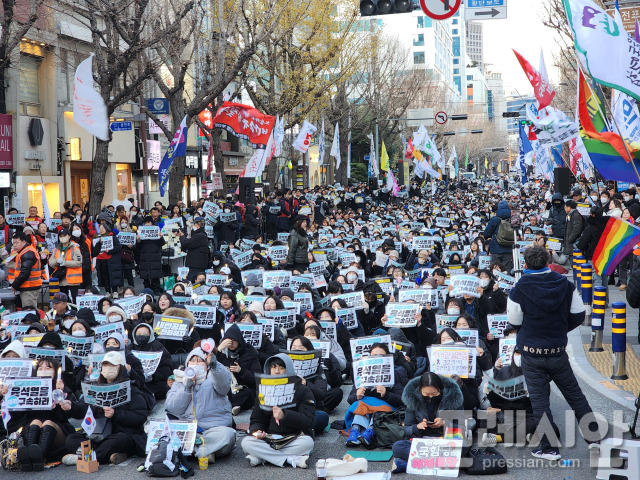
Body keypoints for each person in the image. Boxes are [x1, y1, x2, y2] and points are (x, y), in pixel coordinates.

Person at [507, 245, 598, 460]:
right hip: (557, 352)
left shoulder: (519, 288)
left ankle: (549, 448)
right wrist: (559, 328)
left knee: (540, 402)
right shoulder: (564, 285)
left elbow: (514, 321)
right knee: (576, 396)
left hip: (531, 353)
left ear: (526, 265)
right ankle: (594, 440)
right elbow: (578, 313)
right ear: (548, 262)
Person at [63, 351, 147, 465]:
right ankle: (105, 456)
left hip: (122, 434)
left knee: (119, 440)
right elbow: (82, 408)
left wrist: (116, 414)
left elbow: (140, 416)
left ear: (120, 368)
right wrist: (71, 407)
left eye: (112, 365)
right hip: (97, 435)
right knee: (71, 440)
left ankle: (87, 458)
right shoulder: (94, 388)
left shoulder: (131, 389)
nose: (108, 368)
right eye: (105, 365)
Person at [241, 353, 315, 468]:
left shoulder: (303, 390)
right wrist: (258, 431)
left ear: (288, 370)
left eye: (281, 368)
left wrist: (285, 416)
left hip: (294, 438)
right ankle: (289, 459)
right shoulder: (263, 390)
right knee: (246, 443)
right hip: (270, 439)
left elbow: (308, 421)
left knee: (308, 443)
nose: (277, 371)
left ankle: (263, 457)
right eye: (274, 367)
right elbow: (256, 419)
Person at [165, 346, 237, 462]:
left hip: (212, 430)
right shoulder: (179, 381)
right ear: (187, 363)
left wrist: (215, 366)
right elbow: (173, 408)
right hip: (188, 430)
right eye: (193, 360)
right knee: (162, 434)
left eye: (200, 361)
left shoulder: (214, 377)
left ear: (207, 364)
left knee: (228, 435)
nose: (196, 363)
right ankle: (206, 451)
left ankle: (193, 451)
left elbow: (224, 385)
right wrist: (186, 389)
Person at [390, 372, 464, 473]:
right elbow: (407, 429)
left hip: (446, 441)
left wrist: (445, 423)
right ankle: (441, 463)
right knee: (397, 447)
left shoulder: (452, 398)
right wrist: (417, 427)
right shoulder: (413, 399)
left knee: (464, 449)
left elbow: (462, 427)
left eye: (434, 394)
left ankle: (410, 464)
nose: (430, 397)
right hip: (423, 444)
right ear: (420, 390)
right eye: (426, 394)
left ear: (441, 389)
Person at [48, 228, 83, 303]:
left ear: (69, 236)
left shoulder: (75, 248)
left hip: (73, 280)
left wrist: (65, 263)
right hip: (61, 279)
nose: (62, 237)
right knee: (64, 301)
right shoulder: (57, 249)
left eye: (64, 235)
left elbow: (79, 262)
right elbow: (50, 262)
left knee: (74, 301)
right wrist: (57, 261)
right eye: (61, 236)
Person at [9, 231, 42, 309]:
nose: (15, 245)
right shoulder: (24, 252)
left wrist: (15, 285)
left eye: (17, 242)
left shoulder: (27, 252)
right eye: (13, 243)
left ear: (24, 242)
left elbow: (25, 273)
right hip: (28, 286)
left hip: (29, 287)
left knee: (29, 312)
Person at [136, 216, 166, 294]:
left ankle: (156, 288)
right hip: (144, 255)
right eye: (145, 223)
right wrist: (138, 240)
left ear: (152, 223)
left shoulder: (156, 231)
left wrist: (160, 237)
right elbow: (137, 247)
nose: (147, 224)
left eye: (148, 222)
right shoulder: (141, 232)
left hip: (155, 255)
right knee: (145, 273)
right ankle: (146, 288)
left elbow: (162, 243)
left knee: (155, 273)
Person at [482, 200, 513, 271]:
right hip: (508, 249)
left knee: (495, 269)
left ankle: (495, 281)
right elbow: (517, 233)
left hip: (496, 249)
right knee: (506, 270)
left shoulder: (495, 219)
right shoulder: (513, 218)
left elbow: (487, 234)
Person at [177, 216, 210, 282]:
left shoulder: (199, 236)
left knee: (193, 281)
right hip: (197, 264)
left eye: (194, 224)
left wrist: (182, 236)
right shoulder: (201, 234)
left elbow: (186, 244)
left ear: (197, 225)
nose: (192, 226)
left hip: (196, 265)